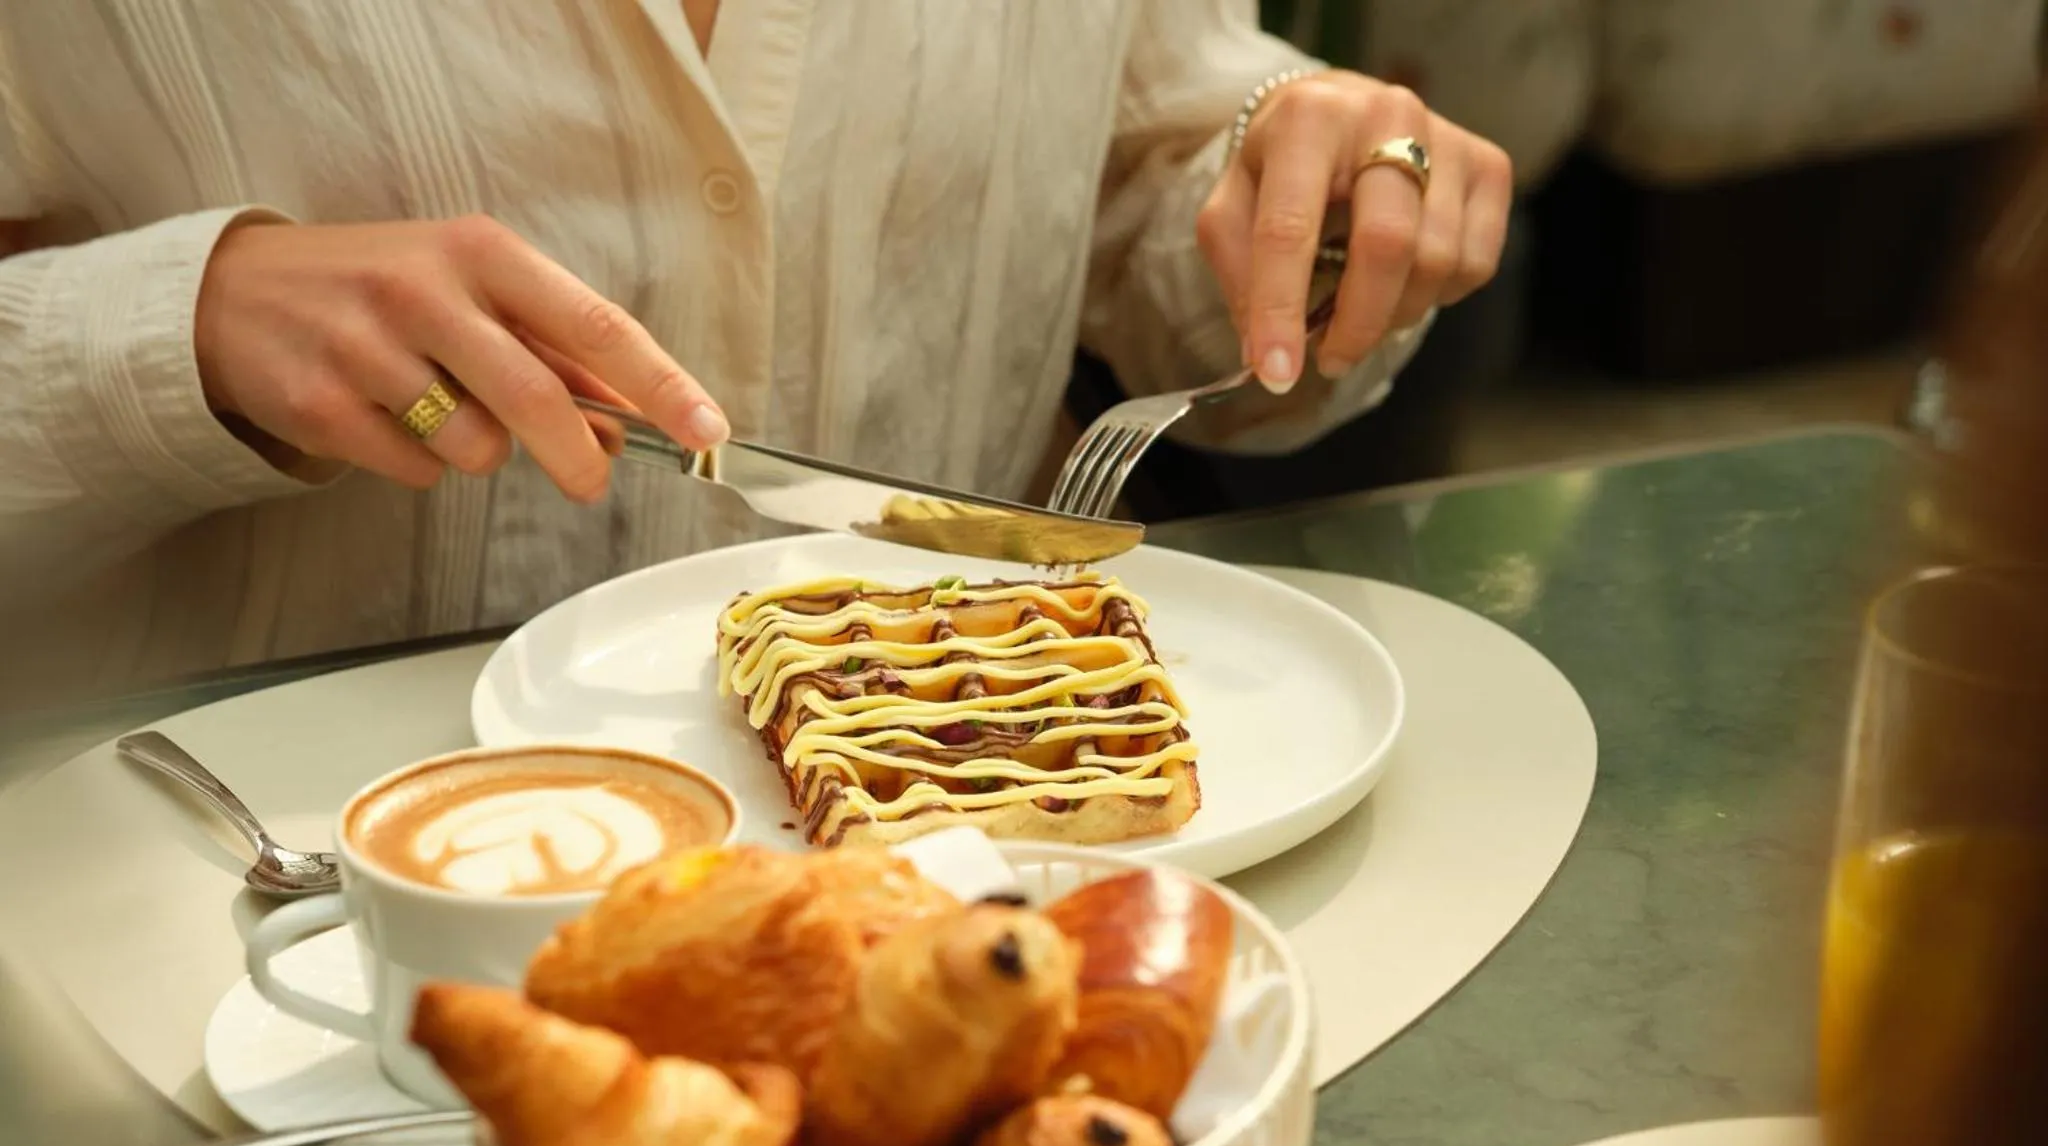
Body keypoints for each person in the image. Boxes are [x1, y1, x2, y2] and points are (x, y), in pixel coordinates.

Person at [0, 2, 1510, 705]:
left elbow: (1151, 163)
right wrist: (170, 330)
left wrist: (1310, 204)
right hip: (233, 896)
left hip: (960, 818)